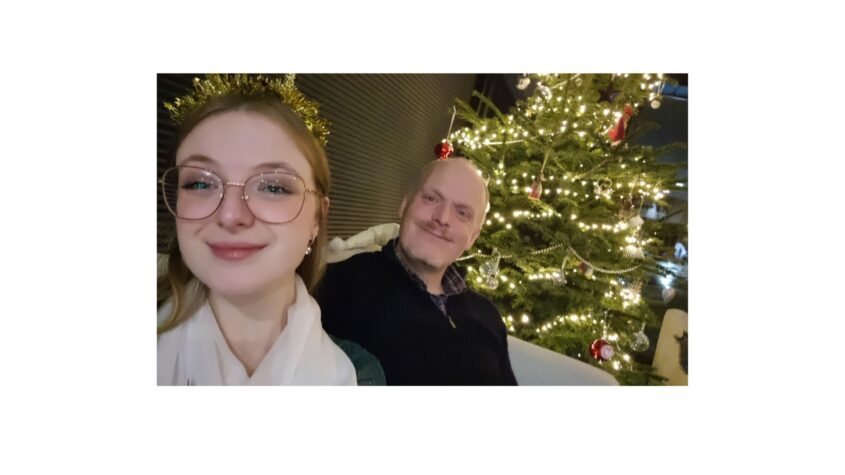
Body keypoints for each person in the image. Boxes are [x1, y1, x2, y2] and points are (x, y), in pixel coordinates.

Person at [157, 74, 381, 385]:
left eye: (273, 187)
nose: (231, 215)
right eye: (200, 183)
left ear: (317, 218)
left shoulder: (357, 375)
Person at [316, 157, 517, 385]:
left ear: (473, 237)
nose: (442, 218)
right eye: (432, 198)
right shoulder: (336, 284)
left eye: (462, 213)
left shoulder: (487, 314)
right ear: (405, 204)